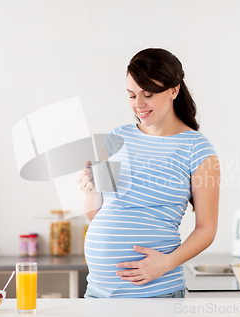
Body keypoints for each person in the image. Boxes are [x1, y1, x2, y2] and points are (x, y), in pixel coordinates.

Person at [77, 48, 220, 298]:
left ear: (174, 90)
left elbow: (206, 228)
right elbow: (96, 214)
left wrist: (166, 263)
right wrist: (92, 188)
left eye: (148, 94)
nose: (138, 105)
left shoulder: (197, 149)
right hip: (98, 293)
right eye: (132, 95)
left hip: (154, 293)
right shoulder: (115, 137)